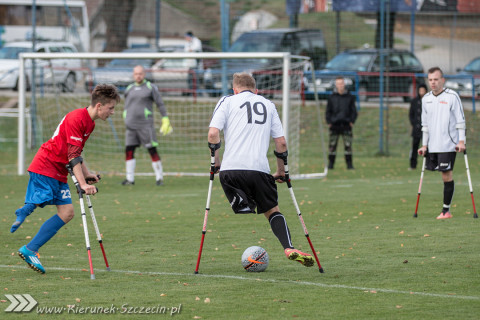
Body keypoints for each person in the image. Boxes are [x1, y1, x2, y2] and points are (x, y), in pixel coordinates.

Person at [10, 84, 120, 274]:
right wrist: (83, 184)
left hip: (59, 168)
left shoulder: (90, 123)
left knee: (67, 213)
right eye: (111, 108)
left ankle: (30, 249)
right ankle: (25, 210)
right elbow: (72, 155)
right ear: (99, 105)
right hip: (47, 163)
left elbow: (77, 153)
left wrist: (86, 174)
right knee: (46, 195)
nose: (113, 112)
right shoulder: (77, 118)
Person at [208, 72, 314, 267]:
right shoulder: (269, 104)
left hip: (231, 172)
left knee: (244, 206)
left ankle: (244, 205)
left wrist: (216, 161)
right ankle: (288, 247)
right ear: (256, 91)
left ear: (235, 90)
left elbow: (213, 133)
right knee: (272, 211)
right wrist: (282, 171)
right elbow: (281, 143)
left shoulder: (227, 101)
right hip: (260, 171)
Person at [418, 67, 465, 220]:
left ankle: (446, 211)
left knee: (446, 175)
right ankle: (446, 210)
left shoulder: (452, 96)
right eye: (430, 79)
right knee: (441, 175)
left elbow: (460, 121)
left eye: (436, 79)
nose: (433, 82)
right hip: (433, 145)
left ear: (442, 80)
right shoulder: (426, 99)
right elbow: (425, 125)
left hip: (448, 144)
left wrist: (461, 141)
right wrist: (424, 145)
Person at [122, 65, 173, 186]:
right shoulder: (129, 88)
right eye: (136, 74)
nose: (138, 76)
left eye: (140, 73)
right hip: (131, 126)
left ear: (144, 74)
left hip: (145, 126)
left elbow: (160, 104)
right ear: (133, 75)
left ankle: (159, 178)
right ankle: (130, 179)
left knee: (152, 149)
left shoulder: (151, 87)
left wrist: (165, 118)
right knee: (129, 150)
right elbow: (126, 105)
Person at [325, 77, 357, 170]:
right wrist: (329, 121)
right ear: (336, 85)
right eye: (338, 83)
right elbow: (328, 111)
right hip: (334, 125)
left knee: (348, 146)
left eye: (342, 83)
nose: (340, 85)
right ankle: (331, 164)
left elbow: (353, 111)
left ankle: (349, 164)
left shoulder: (350, 97)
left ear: (344, 84)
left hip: (346, 125)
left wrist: (351, 121)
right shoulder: (332, 97)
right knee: (332, 146)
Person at [409, 83, 428, 170]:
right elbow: (411, 114)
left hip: (426, 130)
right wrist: (414, 123)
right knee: (414, 147)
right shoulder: (414, 101)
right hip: (416, 129)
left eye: (423, 90)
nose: (421, 92)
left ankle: (428, 164)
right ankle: (413, 165)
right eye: (420, 91)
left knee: (428, 147)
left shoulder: (429, 101)